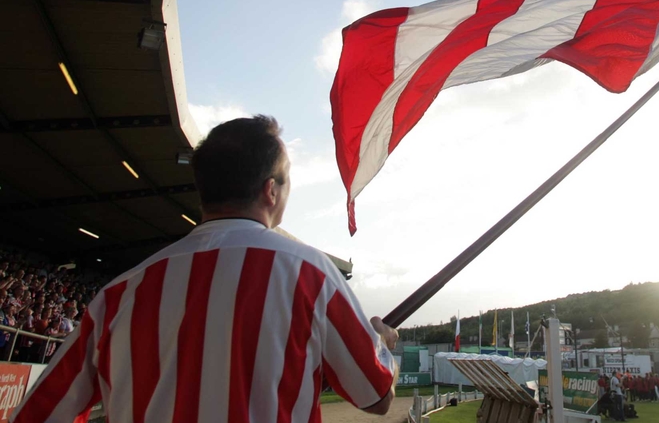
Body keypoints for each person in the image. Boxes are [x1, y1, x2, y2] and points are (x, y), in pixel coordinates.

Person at [11, 115, 399, 422]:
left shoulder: (118, 294)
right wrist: (380, 342)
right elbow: (376, 395)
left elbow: (39, 413)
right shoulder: (310, 273)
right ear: (271, 190)